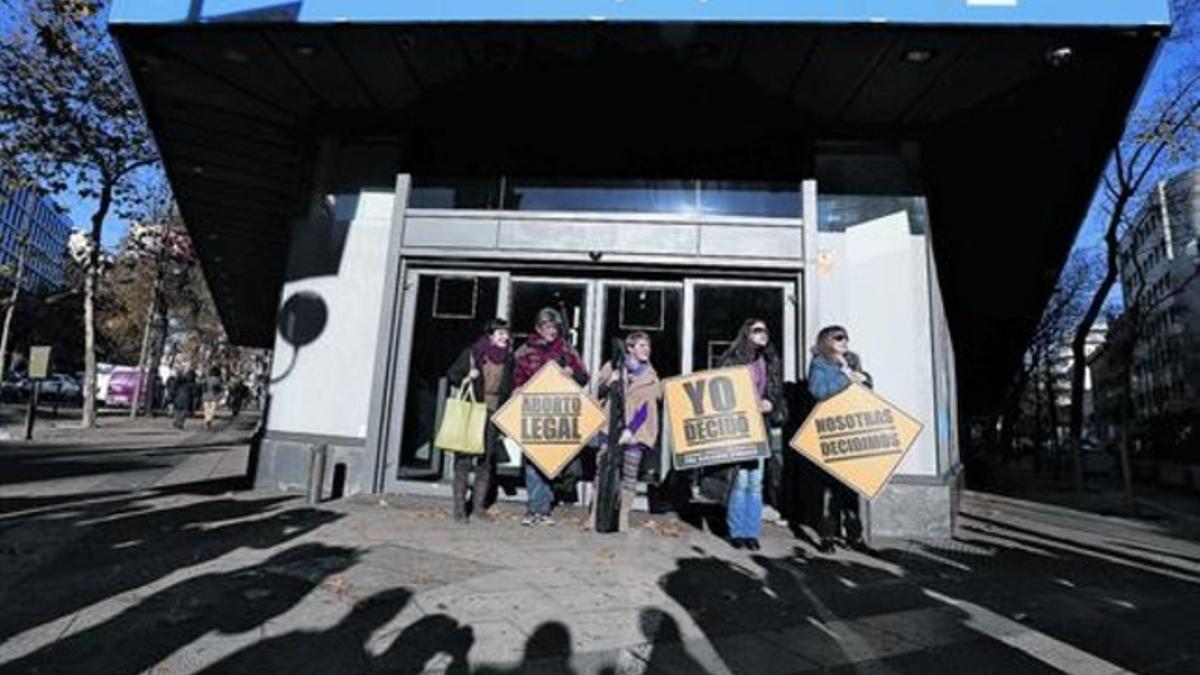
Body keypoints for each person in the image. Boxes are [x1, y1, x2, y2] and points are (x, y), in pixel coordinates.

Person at [513, 307, 588, 526]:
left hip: (560, 414)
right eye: (547, 327)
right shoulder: (524, 351)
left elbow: (584, 375)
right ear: (538, 328)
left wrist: (573, 375)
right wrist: (517, 389)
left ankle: (553, 495)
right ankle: (538, 509)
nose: (551, 331)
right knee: (534, 461)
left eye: (554, 327)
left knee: (569, 465)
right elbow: (515, 377)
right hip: (535, 412)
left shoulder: (566, 350)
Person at [718, 318, 788, 551]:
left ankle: (751, 532)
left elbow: (775, 392)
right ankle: (736, 531)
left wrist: (771, 403)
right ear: (746, 333)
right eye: (757, 330)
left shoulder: (769, 360)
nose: (763, 334)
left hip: (760, 425)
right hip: (738, 426)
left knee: (756, 482)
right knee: (740, 481)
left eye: (765, 330)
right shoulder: (732, 360)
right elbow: (720, 391)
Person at [587, 331, 662, 532]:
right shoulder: (612, 367)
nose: (646, 350)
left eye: (648, 346)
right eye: (641, 346)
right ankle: (594, 515)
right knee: (602, 469)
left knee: (630, 473)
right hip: (609, 427)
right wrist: (609, 381)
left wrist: (631, 430)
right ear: (629, 348)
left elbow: (646, 409)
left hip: (636, 431)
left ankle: (623, 517)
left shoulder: (650, 376)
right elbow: (597, 394)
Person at [446, 318, 515, 523]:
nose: (505, 337)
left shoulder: (509, 359)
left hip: (493, 413)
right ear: (490, 335)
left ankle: (478, 508)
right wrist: (468, 376)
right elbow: (452, 374)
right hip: (472, 409)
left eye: (506, 333)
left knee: (485, 462)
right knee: (464, 460)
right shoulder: (473, 353)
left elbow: (509, 385)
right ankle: (459, 509)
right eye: (500, 333)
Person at [807, 325, 868, 552]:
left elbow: (865, 386)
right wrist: (846, 378)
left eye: (845, 338)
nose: (844, 342)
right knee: (828, 489)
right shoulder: (819, 363)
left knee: (851, 488)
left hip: (850, 428)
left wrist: (863, 379)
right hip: (830, 430)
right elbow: (819, 391)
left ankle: (855, 536)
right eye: (838, 338)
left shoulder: (852, 360)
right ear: (826, 341)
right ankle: (828, 536)